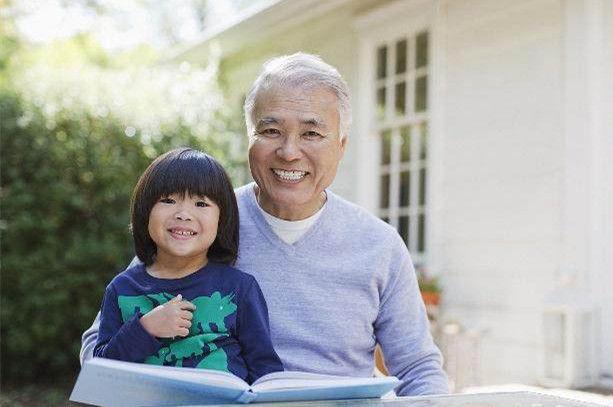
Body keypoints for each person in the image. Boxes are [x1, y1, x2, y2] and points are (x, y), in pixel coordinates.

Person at [81, 53, 449, 396]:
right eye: (270, 130)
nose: (289, 151)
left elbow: (419, 370)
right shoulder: (200, 225)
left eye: (311, 133)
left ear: (341, 145)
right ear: (249, 140)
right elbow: (98, 353)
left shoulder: (378, 245)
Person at [92, 148, 283, 383]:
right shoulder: (122, 289)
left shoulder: (240, 289)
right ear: (145, 213)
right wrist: (145, 329)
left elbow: (265, 370)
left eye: (201, 203)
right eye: (168, 200)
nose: (184, 214)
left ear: (222, 219)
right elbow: (99, 375)